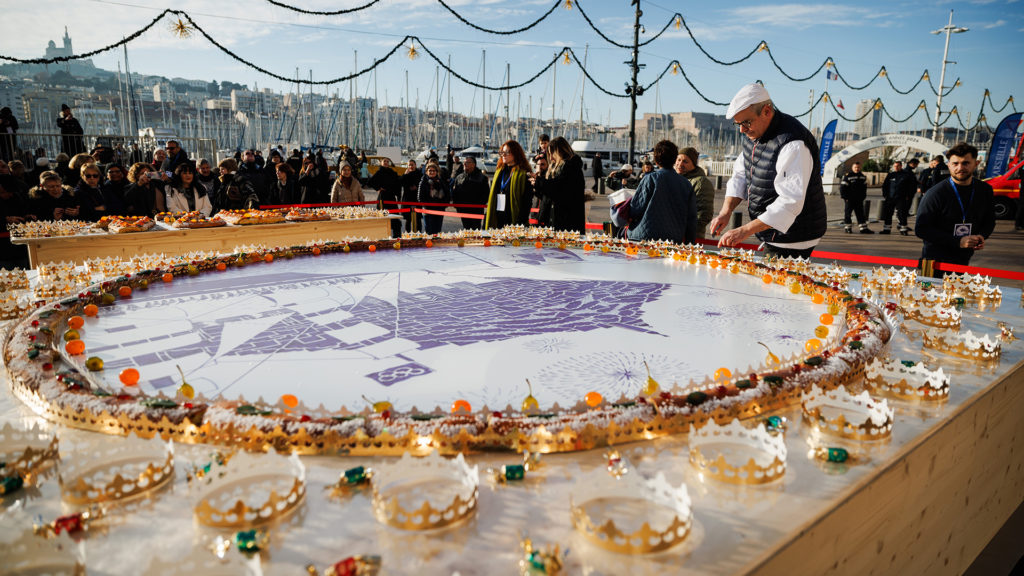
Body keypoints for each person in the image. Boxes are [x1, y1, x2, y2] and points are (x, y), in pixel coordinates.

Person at [709, 83, 827, 259]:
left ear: (766, 111)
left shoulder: (793, 144)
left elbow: (790, 202)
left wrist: (744, 231)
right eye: (738, 124)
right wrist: (725, 212)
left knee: (776, 283)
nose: (742, 130)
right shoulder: (753, 134)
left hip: (795, 236)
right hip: (772, 231)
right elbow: (741, 175)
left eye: (746, 122)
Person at [914, 142, 995, 269]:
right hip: (933, 262)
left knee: (957, 289)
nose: (960, 168)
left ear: (976, 164)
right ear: (949, 165)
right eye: (955, 164)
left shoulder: (985, 190)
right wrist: (958, 241)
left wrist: (981, 236)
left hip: (963, 259)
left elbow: (989, 221)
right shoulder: (935, 193)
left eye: (966, 163)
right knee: (926, 289)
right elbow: (921, 229)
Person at [625, 139, 697, 244]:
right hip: (673, 239)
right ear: (674, 159)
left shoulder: (650, 178)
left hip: (644, 237)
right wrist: (690, 243)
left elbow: (635, 209)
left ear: (656, 160)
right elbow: (691, 218)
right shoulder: (686, 184)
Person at [537, 136, 586, 233]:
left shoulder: (571, 167)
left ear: (559, 152)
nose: (550, 158)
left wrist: (539, 182)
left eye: (552, 154)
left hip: (566, 223)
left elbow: (559, 190)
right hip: (556, 221)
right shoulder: (556, 168)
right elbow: (547, 195)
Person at [484, 140, 533, 228]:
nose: (503, 155)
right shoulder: (499, 171)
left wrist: (520, 222)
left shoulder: (524, 174)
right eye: (502, 152)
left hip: (514, 219)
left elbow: (527, 201)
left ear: (515, 153)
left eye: (507, 152)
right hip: (498, 218)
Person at [674, 147, 715, 239]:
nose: (680, 164)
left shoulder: (701, 183)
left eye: (685, 161)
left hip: (690, 237)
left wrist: (686, 231)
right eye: (678, 160)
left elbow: (704, 214)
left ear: (693, 164)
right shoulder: (675, 179)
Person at [367, 157, 403, 238]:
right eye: (384, 161)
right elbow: (370, 182)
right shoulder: (379, 172)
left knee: (395, 218)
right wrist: (378, 188)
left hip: (391, 198)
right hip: (383, 198)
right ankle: (382, 237)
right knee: (382, 218)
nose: (386, 163)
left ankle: (397, 237)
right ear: (381, 163)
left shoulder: (392, 172)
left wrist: (398, 196)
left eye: (387, 161)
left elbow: (398, 184)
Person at [880, 159, 918, 235]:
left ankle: (903, 229)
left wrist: (909, 196)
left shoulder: (906, 175)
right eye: (895, 166)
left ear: (901, 166)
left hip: (901, 198)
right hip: (890, 198)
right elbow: (885, 186)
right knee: (888, 214)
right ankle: (886, 229)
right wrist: (885, 195)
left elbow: (912, 187)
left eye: (897, 166)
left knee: (902, 214)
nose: (896, 167)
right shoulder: (890, 175)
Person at [452, 156, 489, 230]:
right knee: (466, 230)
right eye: (464, 162)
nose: (465, 164)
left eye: (467, 162)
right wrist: (457, 206)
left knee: (475, 231)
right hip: (463, 210)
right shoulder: (459, 177)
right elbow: (455, 192)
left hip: (476, 211)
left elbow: (486, 194)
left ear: (474, 164)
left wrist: (479, 205)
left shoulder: (482, 178)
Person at [838, 161, 873, 234]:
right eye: (855, 167)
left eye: (858, 167)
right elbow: (842, 188)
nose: (857, 169)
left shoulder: (862, 177)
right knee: (848, 214)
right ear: (852, 168)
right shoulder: (848, 176)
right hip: (849, 199)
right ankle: (848, 228)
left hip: (859, 199)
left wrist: (863, 197)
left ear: (860, 167)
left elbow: (864, 188)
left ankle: (863, 228)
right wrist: (845, 198)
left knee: (860, 214)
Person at [418, 161, 450, 234]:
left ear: (437, 171)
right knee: (429, 231)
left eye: (434, 171)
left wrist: (444, 205)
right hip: (428, 211)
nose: (432, 172)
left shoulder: (441, 181)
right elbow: (420, 197)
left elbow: (447, 193)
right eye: (430, 171)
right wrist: (427, 207)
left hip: (439, 210)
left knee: (437, 231)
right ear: (426, 172)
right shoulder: (423, 181)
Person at [400, 160, 422, 233]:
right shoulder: (406, 174)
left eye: (412, 165)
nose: (411, 166)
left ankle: (419, 234)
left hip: (417, 198)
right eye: (409, 165)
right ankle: (408, 234)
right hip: (408, 198)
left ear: (415, 165)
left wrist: (416, 186)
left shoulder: (419, 174)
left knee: (418, 218)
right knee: (408, 219)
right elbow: (400, 183)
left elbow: (422, 183)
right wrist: (405, 174)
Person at [529, 155, 550, 226]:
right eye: (538, 165)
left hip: (545, 221)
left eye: (543, 164)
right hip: (533, 220)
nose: (540, 167)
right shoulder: (532, 180)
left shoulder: (549, 181)